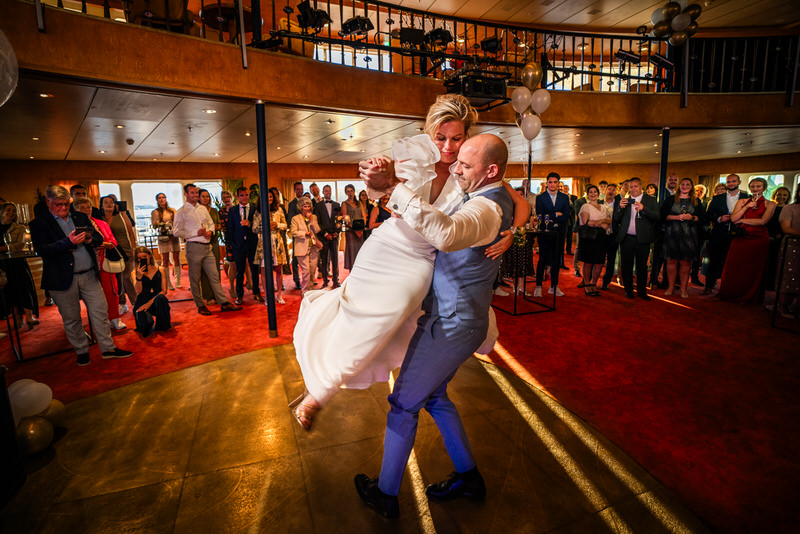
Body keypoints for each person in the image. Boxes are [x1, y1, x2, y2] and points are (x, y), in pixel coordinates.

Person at [290, 94, 527, 431]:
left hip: (422, 257)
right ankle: (321, 375)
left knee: (383, 317)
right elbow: (382, 194)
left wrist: (512, 231)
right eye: (441, 138)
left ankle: (320, 391)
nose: (448, 147)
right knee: (352, 311)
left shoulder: (472, 168)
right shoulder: (415, 154)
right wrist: (374, 177)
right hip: (386, 244)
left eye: (457, 138)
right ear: (430, 135)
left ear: (467, 137)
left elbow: (518, 202)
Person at [354, 133, 514, 519]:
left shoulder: (488, 208)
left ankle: (387, 494)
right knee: (436, 398)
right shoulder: (484, 194)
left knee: (403, 403)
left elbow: (447, 234)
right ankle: (468, 476)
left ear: (491, 170)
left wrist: (394, 185)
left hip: (451, 324)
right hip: (462, 321)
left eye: (465, 164)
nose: (456, 167)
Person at [29, 185, 133, 365]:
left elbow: (99, 239)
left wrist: (90, 239)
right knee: (72, 317)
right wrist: (67, 242)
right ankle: (82, 350)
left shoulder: (80, 217)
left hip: (89, 275)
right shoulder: (39, 223)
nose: (62, 208)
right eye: (57, 205)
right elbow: (42, 250)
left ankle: (108, 348)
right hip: (61, 278)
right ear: (48, 202)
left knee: (100, 311)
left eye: (65, 204)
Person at [172, 183, 241, 315]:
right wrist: (195, 232)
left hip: (207, 247)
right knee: (195, 279)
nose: (195, 195)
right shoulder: (181, 212)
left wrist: (210, 230)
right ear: (186, 194)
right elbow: (176, 232)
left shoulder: (203, 209)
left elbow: (210, 224)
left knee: (215, 276)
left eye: (196, 193)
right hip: (193, 247)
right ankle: (200, 305)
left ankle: (223, 303)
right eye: (192, 193)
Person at [717, 178, 776, 303]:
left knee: (754, 269)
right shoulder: (742, 201)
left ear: (764, 188)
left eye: (758, 186)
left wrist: (742, 220)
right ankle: (731, 293)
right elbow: (733, 219)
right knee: (734, 266)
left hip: (759, 239)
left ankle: (751, 295)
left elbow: (763, 221)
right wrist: (746, 207)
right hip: (741, 237)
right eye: (753, 186)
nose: (755, 189)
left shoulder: (770, 204)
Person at [74, 198, 125, 330]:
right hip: (86, 265)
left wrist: (108, 244)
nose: (86, 210)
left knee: (112, 291)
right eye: (82, 208)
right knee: (93, 297)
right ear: (76, 210)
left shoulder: (101, 223)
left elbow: (113, 240)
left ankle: (115, 318)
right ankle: (101, 321)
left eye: (88, 207)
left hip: (105, 263)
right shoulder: (73, 225)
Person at [614, 177, 660, 300]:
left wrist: (644, 209)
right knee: (626, 266)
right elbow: (616, 218)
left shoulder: (650, 200)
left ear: (641, 186)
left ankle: (641, 291)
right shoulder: (626, 200)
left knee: (642, 267)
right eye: (631, 187)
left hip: (643, 239)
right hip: (626, 238)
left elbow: (657, 216)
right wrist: (620, 207)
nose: (633, 189)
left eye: (635, 186)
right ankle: (628, 290)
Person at [703, 174, 750, 295]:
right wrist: (719, 219)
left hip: (738, 234)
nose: (731, 184)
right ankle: (708, 286)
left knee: (734, 262)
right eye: (729, 182)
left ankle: (730, 289)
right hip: (719, 233)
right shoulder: (718, 198)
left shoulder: (747, 198)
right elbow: (708, 215)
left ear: (739, 182)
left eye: (734, 181)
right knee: (713, 260)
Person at [661, 178, 706, 298]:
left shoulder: (696, 201)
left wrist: (691, 217)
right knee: (671, 261)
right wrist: (677, 217)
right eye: (683, 184)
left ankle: (684, 289)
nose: (685, 186)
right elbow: (662, 215)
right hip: (672, 234)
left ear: (691, 187)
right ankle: (670, 287)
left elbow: (702, 218)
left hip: (689, 235)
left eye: (688, 184)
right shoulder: (670, 199)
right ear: (679, 186)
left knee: (686, 263)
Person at [0, 203, 40, 329]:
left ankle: (29, 316)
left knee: (24, 288)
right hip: (2, 264)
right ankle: (17, 318)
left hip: (17, 262)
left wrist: (2, 248)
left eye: (13, 211)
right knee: (10, 291)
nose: (11, 213)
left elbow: (20, 245)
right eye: (8, 210)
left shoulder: (19, 228)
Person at [532, 172, 570, 297]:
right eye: (550, 182)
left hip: (559, 233)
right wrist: (555, 215)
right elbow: (541, 215)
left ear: (558, 184)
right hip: (545, 232)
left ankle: (554, 286)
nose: (552, 184)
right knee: (542, 259)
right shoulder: (540, 197)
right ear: (547, 183)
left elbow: (566, 216)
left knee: (556, 260)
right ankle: (538, 286)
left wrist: (553, 217)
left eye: (555, 182)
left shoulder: (564, 198)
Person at [100, 195, 137, 315]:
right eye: (106, 202)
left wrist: (133, 248)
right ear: (101, 205)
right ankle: (122, 303)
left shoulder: (121, 215)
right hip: (109, 252)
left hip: (125, 250)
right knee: (116, 279)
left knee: (126, 277)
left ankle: (136, 302)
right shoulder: (99, 219)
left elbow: (130, 233)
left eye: (111, 202)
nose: (109, 204)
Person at [227, 186, 263, 305]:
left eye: (246, 195)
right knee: (240, 271)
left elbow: (259, 224)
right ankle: (240, 295)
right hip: (238, 245)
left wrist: (250, 224)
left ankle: (256, 292)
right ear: (237, 197)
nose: (244, 197)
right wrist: (231, 244)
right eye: (242, 195)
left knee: (254, 270)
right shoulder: (232, 210)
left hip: (252, 243)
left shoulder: (254, 208)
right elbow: (230, 229)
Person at [255, 189, 288, 304]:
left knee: (279, 269)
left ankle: (279, 295)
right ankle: (268, 297)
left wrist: (277, 225)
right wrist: (264, 227)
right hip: (264, 242)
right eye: (267, 197)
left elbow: (285, 225)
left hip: (277, 242)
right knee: (264, 271)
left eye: (271, 197)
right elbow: (254, 229)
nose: (269, 199)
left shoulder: (279, 209)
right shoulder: (258, 211)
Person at [576, 185, 610, 296]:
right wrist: (601, 222)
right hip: (589, 237)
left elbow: (610, 220)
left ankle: (594, 284)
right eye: (590, 192)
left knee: (599, 263)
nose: (593, 194)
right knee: (588, 262)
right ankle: (586, 284)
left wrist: (598, 222)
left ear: (598, 193)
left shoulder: (604, 206)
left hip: (602, 238)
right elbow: (587, 222)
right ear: (587, 194)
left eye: (595, 192)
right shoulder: (585, 206)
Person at [132, 246, 170, 336]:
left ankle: (162, 325)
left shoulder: (161, 269)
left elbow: (164, 291)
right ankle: (147, 323)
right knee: (144, 328)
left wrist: (149, 303)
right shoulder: (134, 273)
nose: (143, 259)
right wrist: (139, 277)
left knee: (161, 298)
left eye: (144, 257)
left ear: (149, 256)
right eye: (140, 258)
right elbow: (138, 292)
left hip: (157, 301)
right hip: (142, 301)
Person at [776, 187, 800, 318]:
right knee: (789, 275)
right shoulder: (790, 208)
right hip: (793, 245)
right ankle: (783, 305)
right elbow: (786, 228)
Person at [151, 192, 181, 290]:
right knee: (165, 259)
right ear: (157, 200)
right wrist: (162, 224)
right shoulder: (155, 212)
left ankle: (178, 281)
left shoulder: (172, 210)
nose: (161, 199)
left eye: (163, 197)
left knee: (176, 258)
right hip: (163, 237)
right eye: (159, 198)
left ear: (166, 198)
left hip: (174, 236)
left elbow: (178, 222)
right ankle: (168, 282)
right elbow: (154, 225)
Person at [290, 198, 322, 293]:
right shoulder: (295, 218)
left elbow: (317, 230)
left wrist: (312, 220)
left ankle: (310, 291)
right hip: (301, 247)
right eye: (305, 206)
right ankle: (305, 292)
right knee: (306, 272)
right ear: (300, 207)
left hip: (313, 247)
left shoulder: (314, 217)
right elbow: (294, 232)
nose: (307, 208)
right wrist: (304, 234)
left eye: (308, 206)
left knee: (312, 271)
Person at [313, 184, 341, 288]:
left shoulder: (337, 205)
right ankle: (325, 281)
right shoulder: (318, 206)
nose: (328, 193)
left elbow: (340, 220)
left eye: (329, 191)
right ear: (323, 192)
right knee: (324, 260)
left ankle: (336, 281)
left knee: (335, 259)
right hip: (323, 237)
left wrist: (336, 232)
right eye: (326, 191)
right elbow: (317, 223)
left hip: (334, 236)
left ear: (331, 192)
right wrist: (325, 234)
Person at [197, 189, 223, 304]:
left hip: (214, 242)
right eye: (203, 196)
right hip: (202, 243)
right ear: (199, 198)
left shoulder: (214, 210)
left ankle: (217, 295)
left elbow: (219, 225)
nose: (206, 198)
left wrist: (212, 229)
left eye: (207, 196)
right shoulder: (196, 211)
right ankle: (208, 296)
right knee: (204, 270)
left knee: (216, 269)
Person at [765, 186, 790, 294]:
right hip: (766, 238)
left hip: (780, 240)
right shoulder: (770, 207)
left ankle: (773, 285)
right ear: (775, 195)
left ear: (788, 197)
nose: (781, 197)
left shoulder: (788, 209)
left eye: (784, 195)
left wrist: (779, 235)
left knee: (776, 262)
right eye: (779, 194)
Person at [341, 184, 366, 270]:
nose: (350, 193)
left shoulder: (359, 203)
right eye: (348, 191)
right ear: (346, 193)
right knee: (352, 252)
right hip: (351, 231)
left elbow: (364, 216)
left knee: (360, 252)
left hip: (360, 231)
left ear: (354, 191)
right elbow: (346, 219)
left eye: (351, 191)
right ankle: (352, 273)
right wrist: (354, 229)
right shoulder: (344, 203)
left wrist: (362, 228)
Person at [218, 189, 237, 300]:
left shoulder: (237, 209)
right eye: (224, 198)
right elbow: (221, 226)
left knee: (246, 263)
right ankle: (231, 288)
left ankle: (250, 285)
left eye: (227, 197)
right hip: (229, 239)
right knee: (232, 264)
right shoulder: (221, 212)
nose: (226, 199)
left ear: (231, 197)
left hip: (240, 239)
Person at [286, 181, 305, 290]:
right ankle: (297, 280)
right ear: (294, 190)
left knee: (307, 259)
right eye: (298, 189)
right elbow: (290, 220)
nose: (300, 191)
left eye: (301, 189)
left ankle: (307, 279)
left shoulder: (307, 202)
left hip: (307, 235)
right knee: (296, 258)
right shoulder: (291, 204)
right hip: (297, 235)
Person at [600, 183, 619, 290]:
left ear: (616, 192)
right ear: (605, 191)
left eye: (613, 190)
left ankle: (606, 282)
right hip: (601, 235)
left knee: (611, 261)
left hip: (613, 235)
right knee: (598, 259)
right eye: (609, 189)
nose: (611, 191)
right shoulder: (599, 203)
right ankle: (591, 281)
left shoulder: (619, 204)